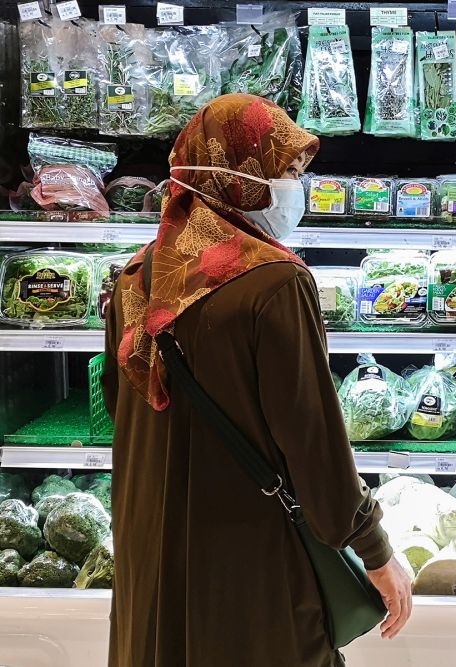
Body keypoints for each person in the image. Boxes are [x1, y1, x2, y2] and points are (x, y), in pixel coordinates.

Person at [101, 94, 412, 667]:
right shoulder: (273, 283)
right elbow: (312, 440)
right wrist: (374, 549)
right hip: (248, 562)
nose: (298, 187)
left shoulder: (136, 279)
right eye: (289, 171)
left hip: (151, 553)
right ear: (240, 174)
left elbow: (123, 416)